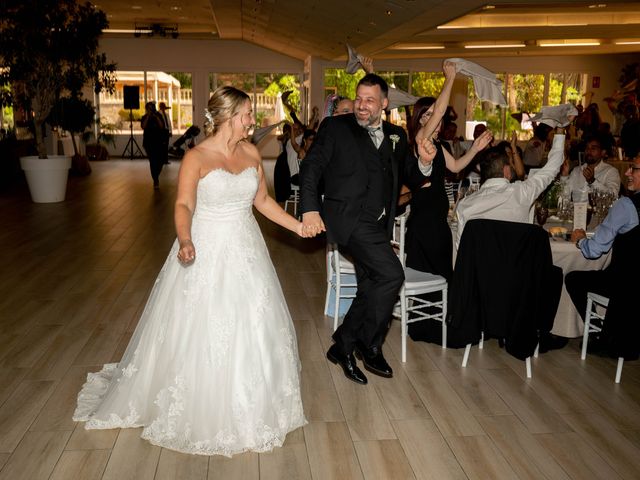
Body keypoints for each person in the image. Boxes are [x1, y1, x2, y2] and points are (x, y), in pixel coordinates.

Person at [73, 86, 309, 456]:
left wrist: (297, 227)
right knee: (202, 326)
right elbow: (183, 203)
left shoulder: (250, 152)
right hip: (205, 247)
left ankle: (252, 403)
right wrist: (185, 239)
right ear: (230, 115)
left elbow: (262, 200)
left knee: (253, 322)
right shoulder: (196, 158)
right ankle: (202, 402)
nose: (253, 120)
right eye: (247, 113)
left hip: (247, 250)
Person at [299, 73, 437, 385]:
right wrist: (309, 208)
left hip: (379, 225)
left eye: (369, 100)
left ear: (384, 104)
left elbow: (412, 176)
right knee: (392, 275)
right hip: (348, 221)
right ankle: (367, 343)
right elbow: (312, 167)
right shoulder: (336, 127)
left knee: (373, 285)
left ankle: (343, 346)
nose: (362, 105)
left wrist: (425, 163)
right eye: (359, 98)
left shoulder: (396, 135)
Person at [405, 61, 493, 285]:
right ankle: (427, 320)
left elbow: (455, 167)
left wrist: (475, 149)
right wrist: (450, 78)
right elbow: (441, 109)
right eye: (426, 115)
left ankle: (440, 319)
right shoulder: (420, 140)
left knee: (442, 280)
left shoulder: (439, 145)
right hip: (424, 225)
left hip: (438, 223)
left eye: (434, 115)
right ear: (419, 120)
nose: (433, 118)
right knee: (430, 280)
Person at [566, 157, 640, 358]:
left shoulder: (626, 206)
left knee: (573, 278)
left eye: (633, 168)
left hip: (624, 285)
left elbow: (595, 250)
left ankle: (601, 334)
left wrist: (580, 239)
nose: (627, 173)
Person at [455, 130, 566, 248]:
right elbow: (551, 168)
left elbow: (460, 249)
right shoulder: (523, 192)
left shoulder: (465, 205)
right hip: (517, 264)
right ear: (506, 171)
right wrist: (559, 130)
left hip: (479, 266)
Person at [560, 134, 620, 199]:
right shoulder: (577, 170)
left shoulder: (610, 171)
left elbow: (613, 196)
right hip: (576, 208)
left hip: (597, 209)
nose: (589, 151)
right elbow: (564, 196)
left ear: (603, 152)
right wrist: (564, 176)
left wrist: (592, 181)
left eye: (593, 148)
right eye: (587, 148)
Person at [141, 101, 166, 189]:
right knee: (152, 162)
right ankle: (156, 180)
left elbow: (162, 126)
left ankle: (156, 176)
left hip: (159, 142)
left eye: (151, 108)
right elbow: (143, 126)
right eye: (148, 108)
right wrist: (148, 116)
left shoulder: (158, 116)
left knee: (161, 161)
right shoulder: (144, 117)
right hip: (148, 143)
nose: (150, 110)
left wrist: (155, 116)